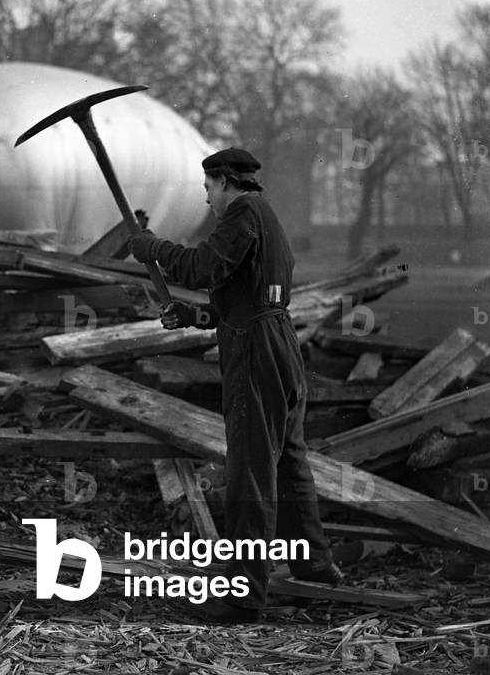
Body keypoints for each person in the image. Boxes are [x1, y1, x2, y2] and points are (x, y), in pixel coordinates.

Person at [126, 147, 341, 622]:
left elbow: (204, 267)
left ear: (224, 182)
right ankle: (316, 574)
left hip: (256, 353)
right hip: (276, 343)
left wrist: (152, 249)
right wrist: (194, 315)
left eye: (207, 189)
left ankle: (242, 596)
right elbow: (241, 298)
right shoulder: (265, 218)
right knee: (288, 468)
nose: (206, 200)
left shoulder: (244, 211)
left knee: (250, 471)